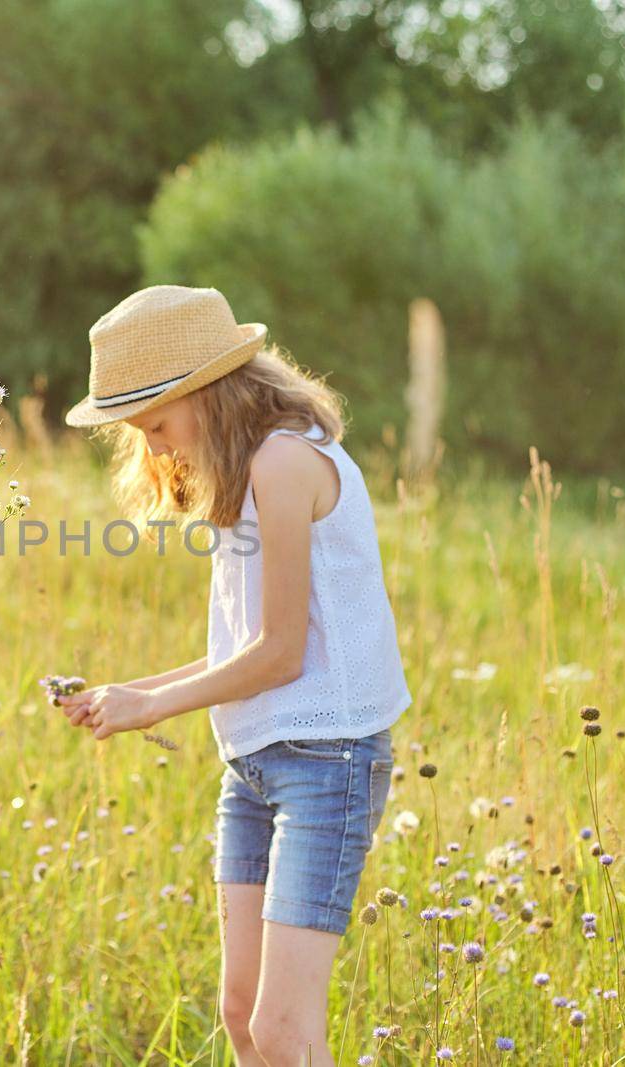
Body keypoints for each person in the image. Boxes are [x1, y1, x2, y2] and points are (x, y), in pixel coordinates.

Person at [57, 285, 411, 1067]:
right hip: (254, 762)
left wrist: (154, 708)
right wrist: (136, 691)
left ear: (205, 392)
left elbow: (281, 653)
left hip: (327, 758)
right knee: (243, 1014)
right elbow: (247, 648)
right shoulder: (245, 471)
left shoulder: (285, 463)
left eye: (156, 424)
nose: (153, 450)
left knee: (284, 1031)